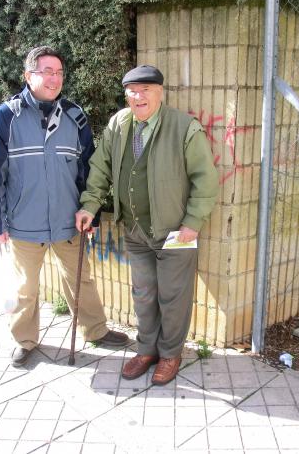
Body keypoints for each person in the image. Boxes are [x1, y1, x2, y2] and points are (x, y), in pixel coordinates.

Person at [0, 46, 128, 368]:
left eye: (59, 73)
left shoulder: (75, 116)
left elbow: (88, 170)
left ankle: (95, 330)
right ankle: (24, 340)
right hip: (23, 223)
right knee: (25, 288)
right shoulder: (6, 117)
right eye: (47, 72)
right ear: (28, 75)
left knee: (81, 280)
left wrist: (91, 214)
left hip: (68, 222)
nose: (54, 79)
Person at [75, 65, 218, 385]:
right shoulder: (118, 124)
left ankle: (170, 354)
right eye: (132, 91)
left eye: (146, 90)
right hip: (136, 230)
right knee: (143, 295)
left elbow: (205, 179)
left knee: (173, 297)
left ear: (160, 92)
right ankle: (147, 350)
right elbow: (100, 168)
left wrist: (193, 222)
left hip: (176, 231)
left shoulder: (184, 127)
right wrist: (89, 205)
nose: (138, 97)